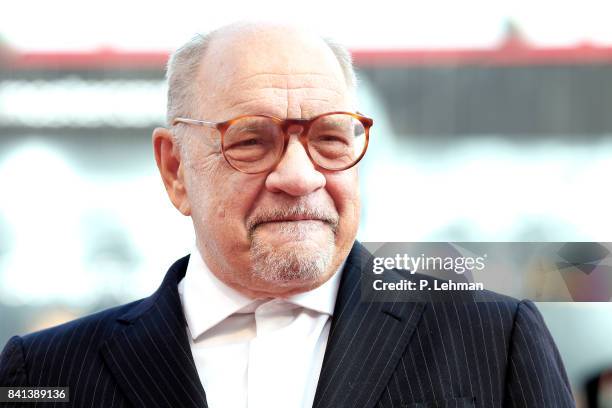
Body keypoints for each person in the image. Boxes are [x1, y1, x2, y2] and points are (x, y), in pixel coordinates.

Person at [0, 22, 575, 408]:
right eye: (251, 141)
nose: (301, 177)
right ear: (176, 169)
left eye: (330, 137)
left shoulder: (495, 340)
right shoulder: (45, 376)